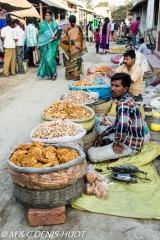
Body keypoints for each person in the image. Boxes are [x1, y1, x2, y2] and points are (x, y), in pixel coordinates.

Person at [88, 73, 144, 162]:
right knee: (102, 129)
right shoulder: (127, 99)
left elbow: (122, 126)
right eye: (112, 85)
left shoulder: (124, 104)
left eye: (117, 86)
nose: (113, 89)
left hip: (130, 145)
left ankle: (115, 156)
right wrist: (102, 134)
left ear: (125, 88)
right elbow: (116, 125)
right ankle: (107, 143)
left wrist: (116, 143)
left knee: (91, 154)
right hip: (129, 136)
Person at [60, 15, 87, 80]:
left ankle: (69, 76)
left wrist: (64, 47)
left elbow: (64, 39)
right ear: (75, 20)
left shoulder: (67, 29)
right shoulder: (79, 28)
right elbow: (81, 39)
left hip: (70, 49)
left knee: (69, 62)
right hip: (77, 49)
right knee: (76, 62)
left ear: (69, 21)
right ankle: (75, 76)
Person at [37, 10, 61, 80]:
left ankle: (54, 74)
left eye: (48, 15)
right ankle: (49, 73)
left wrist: (56, 36)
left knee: (51, 59)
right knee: (47, 59)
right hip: (46, 44)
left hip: (54, 44)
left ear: (51, 16)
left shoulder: (55, 24)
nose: (46, 17)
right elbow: (41, 35)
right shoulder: (43, 25)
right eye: (45, 15)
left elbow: (59, 31)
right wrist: (39, 43)